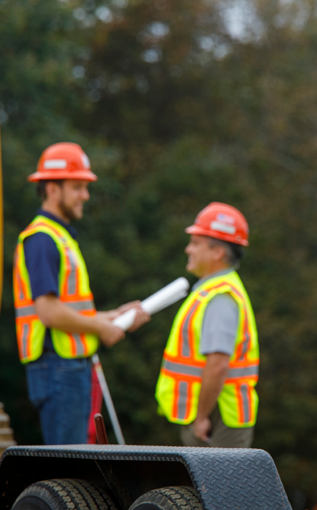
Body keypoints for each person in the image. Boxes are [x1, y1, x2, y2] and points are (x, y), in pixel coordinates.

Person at [13, 142, 150, 445]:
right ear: (51, 189)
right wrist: (102, 327)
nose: (85, 195)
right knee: (70, 472)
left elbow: (69, 308)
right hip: (58, 368)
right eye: (77, 187)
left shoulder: (59, 237)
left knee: (78, 467)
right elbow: (48, 312)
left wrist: (114, 316)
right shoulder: (42, 240)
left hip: (66, 368)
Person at [155, 202, 258, 448]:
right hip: (217, 413)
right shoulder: (214, 290)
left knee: (218, 487)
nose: (188, 249)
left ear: (217, 253)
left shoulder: (220, 296)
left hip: (216, 417)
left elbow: (218, 365)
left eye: (195, 243)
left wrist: (201, 416)